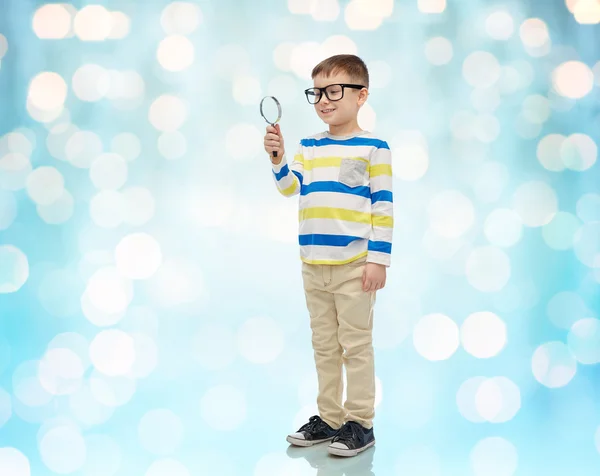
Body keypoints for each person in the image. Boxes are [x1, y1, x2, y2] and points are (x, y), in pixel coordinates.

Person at [263, 54, 393, 458]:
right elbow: (289, 188)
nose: (323, 99)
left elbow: (383, 206)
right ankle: (330, 417)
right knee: (324, 344)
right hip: (313, 264)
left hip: (354, 265)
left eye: (333, 90)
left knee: (355, 344)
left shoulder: (374, 147)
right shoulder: (309, 146)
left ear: (361, 95)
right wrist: (278, 158)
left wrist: (378, 259)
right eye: (316, 92)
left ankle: (360, 422)